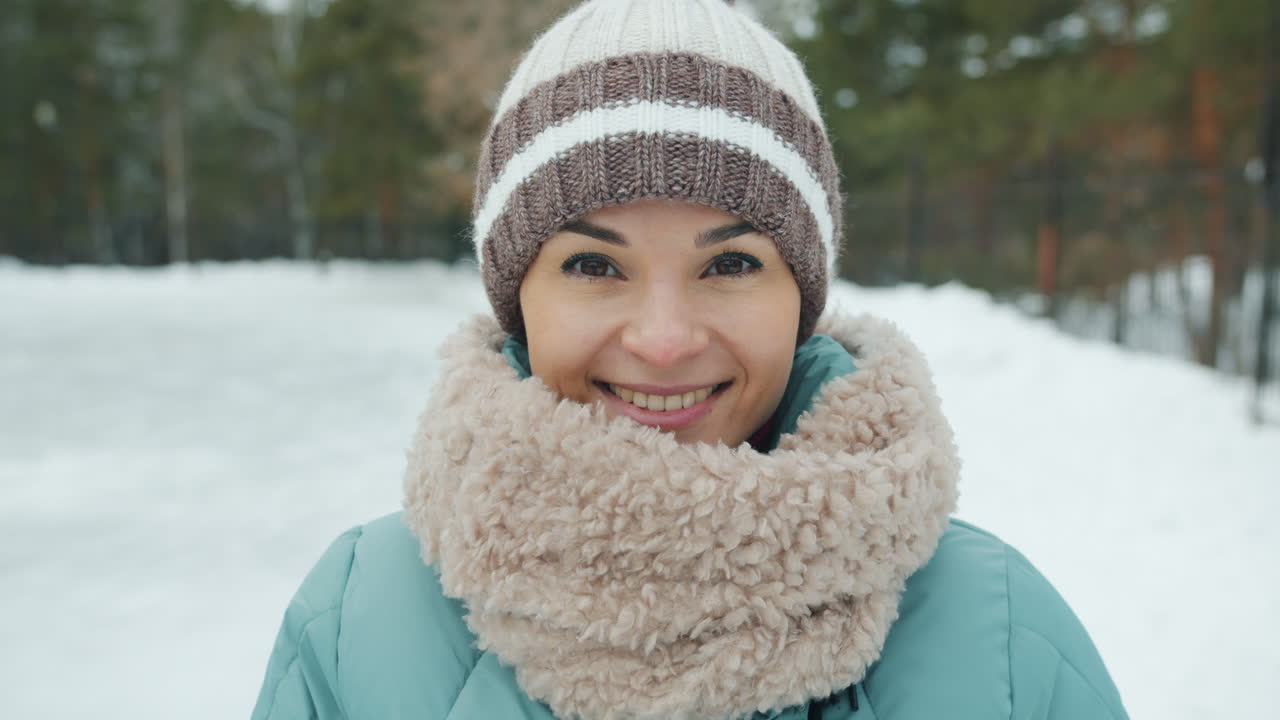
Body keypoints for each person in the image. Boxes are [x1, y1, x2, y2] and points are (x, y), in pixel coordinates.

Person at [252, 1, 1128, 718]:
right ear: (518, 297)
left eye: (731, 264)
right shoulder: (354, 623)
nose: (664, 340)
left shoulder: (1005, 637)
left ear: (802, 299)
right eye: (595, 265)